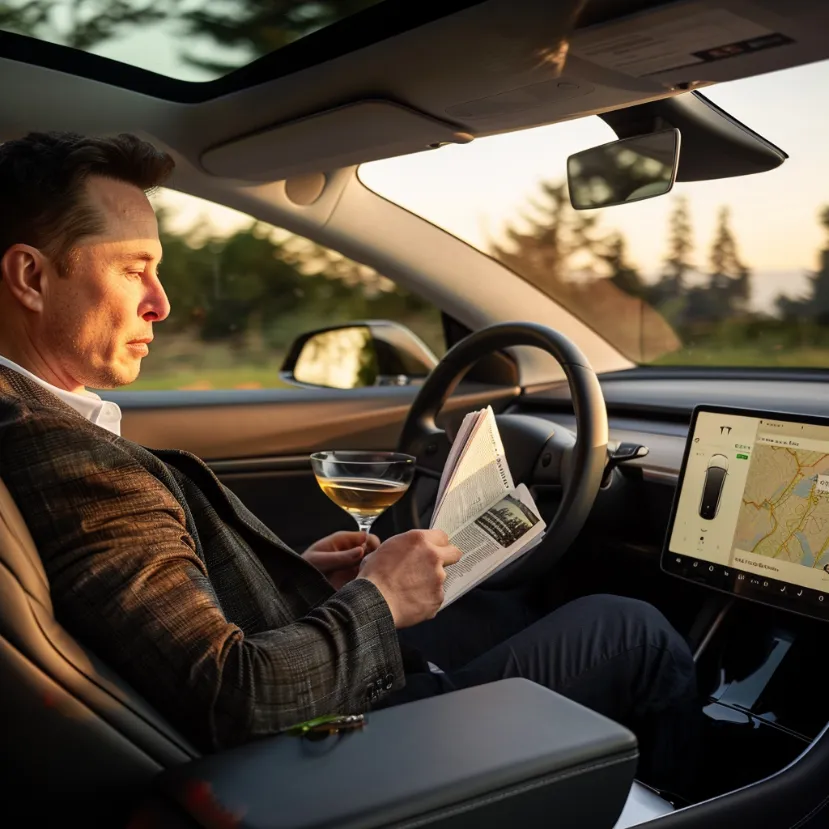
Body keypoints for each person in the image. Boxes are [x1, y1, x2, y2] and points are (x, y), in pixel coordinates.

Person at [0, 131, 698, 791]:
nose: (161, 303)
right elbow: (231, 695)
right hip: (329, 758)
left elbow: (163, 632)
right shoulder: (68, 457)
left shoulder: (42, 428)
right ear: (30, 276)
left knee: (502, 605)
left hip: (305, 727)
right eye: (135, 269)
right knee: (627, 628)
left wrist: (293, 579)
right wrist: (381, 597)